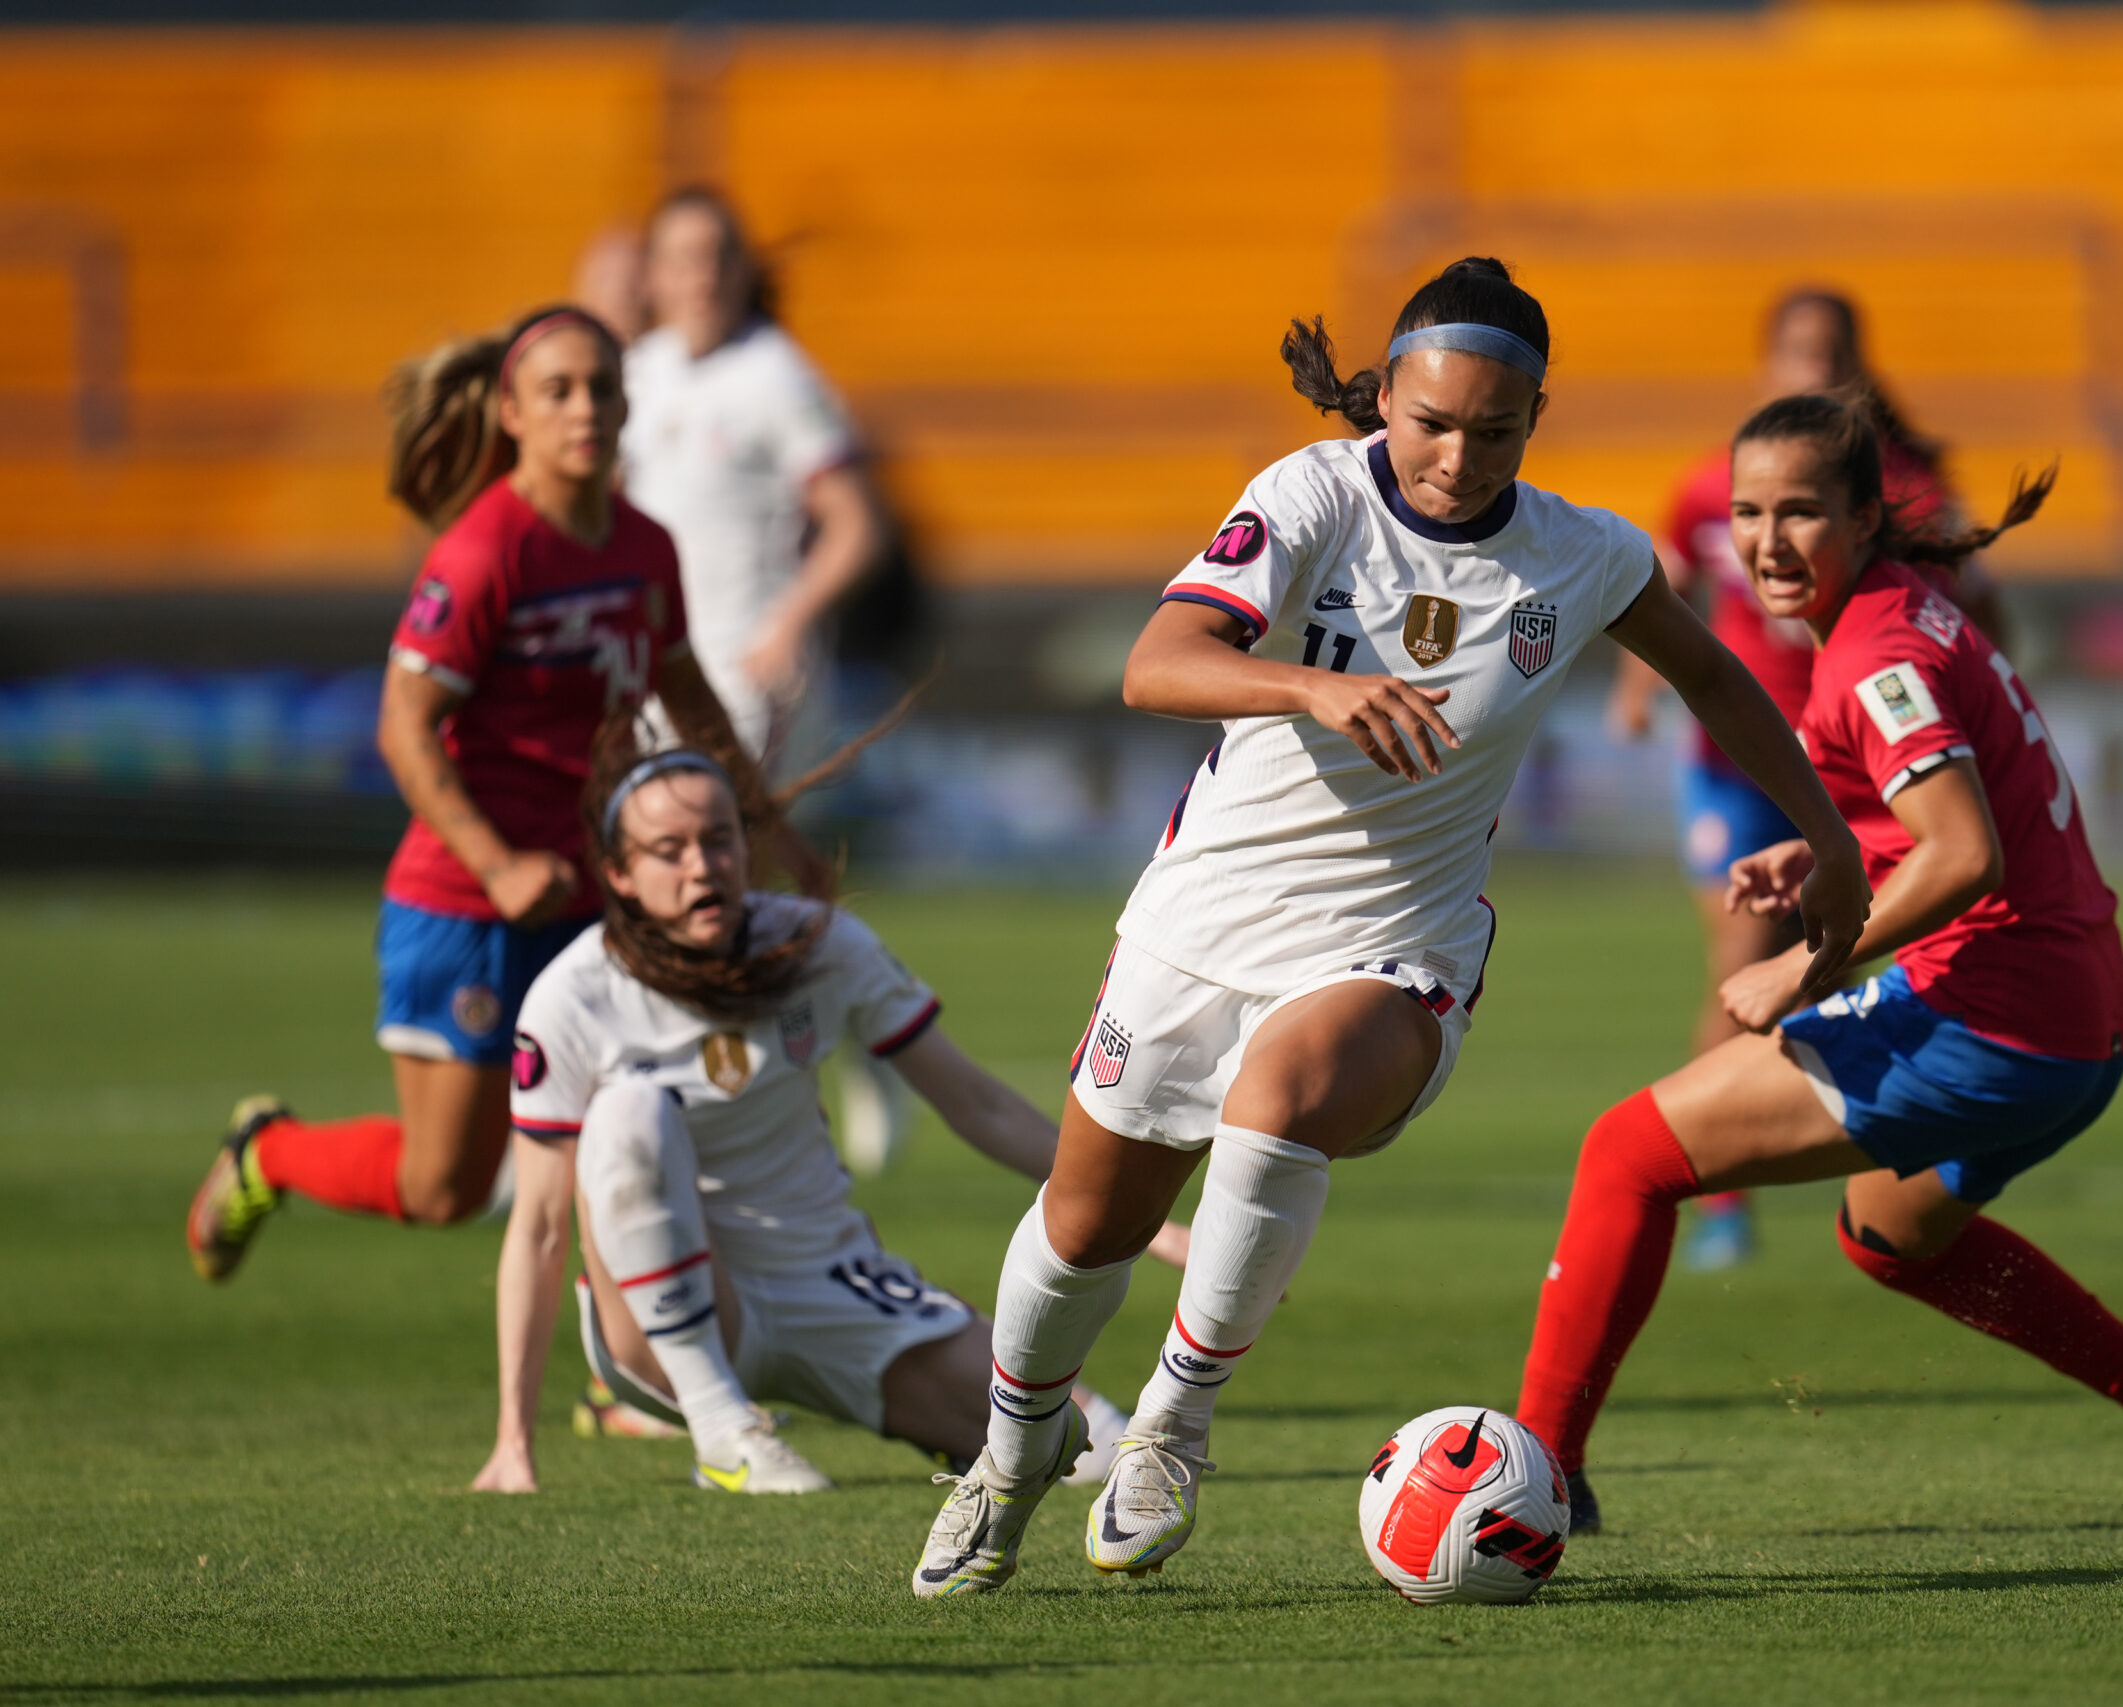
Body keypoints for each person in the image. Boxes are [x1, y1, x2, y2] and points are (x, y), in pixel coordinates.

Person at [907, 257, 1873, 1598]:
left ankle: (1175, 1427)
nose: (1456, 455)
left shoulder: (1584, 553)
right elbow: (1156, 662)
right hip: (1199, 923)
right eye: (1431, 421)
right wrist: (1312, 685)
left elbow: (1710, 671)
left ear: (1538, 415)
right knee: (1086, 1229)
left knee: (1280, 1094)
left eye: (1493, 428)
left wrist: (1829, 835)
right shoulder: (1310, 493)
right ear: (1388, 398)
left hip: (1396, 941)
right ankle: (1008, 1464)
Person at [1515, 393, 2123, 1537]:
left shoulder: (1871, 652)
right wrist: (1824, 851)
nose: (1768, 544)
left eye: (1802, 514)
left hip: (1995, 1016)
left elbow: (1964, 853)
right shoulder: (1908, 610)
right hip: (2080, 1026)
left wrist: (1803, 970)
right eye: (1747, 515)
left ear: (1867, 517)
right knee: (1891, 1235)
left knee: (1626, 1153)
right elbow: (1951, 825)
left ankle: (1535, 1476)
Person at [187, 305, 809, 1280]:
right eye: (557, 391)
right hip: (471, 905)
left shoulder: (645, 546)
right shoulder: (486, 554)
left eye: (602, 387)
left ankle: (631, 1382)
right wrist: (496, 861)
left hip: (597, 896)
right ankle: (269, 1152)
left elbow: (686, 698)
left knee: (635, 1135)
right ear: (511, 413)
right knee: (447, 1188)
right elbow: (403, 724)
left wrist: (771, 828)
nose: (585, 409)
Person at [469, 728, 1180, 1494]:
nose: (701, 864)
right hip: (664, 1319)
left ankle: (922, 1423)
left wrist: (1147, 1218)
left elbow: (974, 1101)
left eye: (718, 839)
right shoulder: (572, 995)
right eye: (667, 849)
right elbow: (540, 1225)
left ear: (749, 845)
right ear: (620, 873)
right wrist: (514, 1439)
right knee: (629, 1114)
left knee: (1089, 1450)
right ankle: (722, 1430)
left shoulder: (818, 945)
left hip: (830, 1280)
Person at [1608, 287, 2002, 1272]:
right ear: (1765, 367)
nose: (1813, 373)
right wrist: (1635, 687)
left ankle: (1856, 1156)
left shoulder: (1910, 490)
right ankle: (1717, 1196)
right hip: (1737, 768)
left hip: (1865, 771)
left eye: (1831, 355)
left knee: (1840, 962)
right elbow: (1662, 590)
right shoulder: (1711, 487)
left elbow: (1975, 604)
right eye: (1795, 353)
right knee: (1747, 961)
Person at [621, 186, 892, 777]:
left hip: (741, 665)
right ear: (653, 275)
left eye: (718, 257)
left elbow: (856, 527)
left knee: (726, 845)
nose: (704, 276)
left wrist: (786, 627)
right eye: (685, 259)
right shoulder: (638, 373)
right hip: (655, 664)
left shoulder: (777, 376)